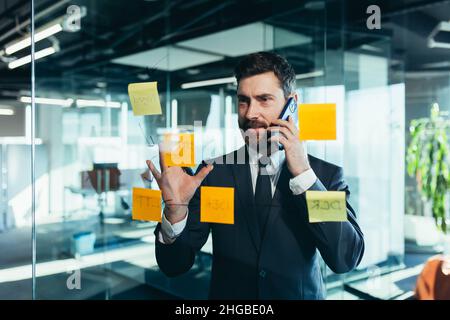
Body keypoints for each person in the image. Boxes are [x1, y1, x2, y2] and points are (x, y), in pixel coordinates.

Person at [147, 51, 364, 299]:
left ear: (291, 104)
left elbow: (345, 258)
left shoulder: (324, 175)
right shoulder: (212, 173)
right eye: (243, 101)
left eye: (264, 100)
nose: (250, 113)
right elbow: (174, 266)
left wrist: (304, 176)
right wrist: (175, 212)